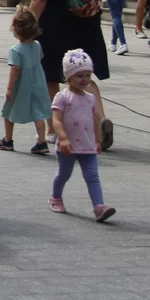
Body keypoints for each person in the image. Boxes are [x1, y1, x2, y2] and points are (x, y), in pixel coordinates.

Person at [28, 0, 113, 150]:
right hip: (86, 22)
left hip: (54, 26)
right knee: (85, 74)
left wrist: (30, 25)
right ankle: (100, 120)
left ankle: (55, 129)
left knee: (51, 76)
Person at [49, 49, 116, 222]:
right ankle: (55, 197)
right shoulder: (62, 97)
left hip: (87, 145)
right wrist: (62, 138)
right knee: (64, 174)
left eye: (87, 75)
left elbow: (92, 119)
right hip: (68, 146)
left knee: (93, 176)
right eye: (79, 76)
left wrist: (97, 139)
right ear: (68, 77)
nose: (84, 80)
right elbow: (56, 120)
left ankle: (99, 207)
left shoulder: (90, 98)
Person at [0, 6, 52, 154]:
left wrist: (9, 89)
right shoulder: (37, 45)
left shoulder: (16, 50)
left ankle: (8, 140)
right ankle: (41, 142)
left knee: (8, 111)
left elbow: (15, 69)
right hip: (38, 83)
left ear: (16, 30)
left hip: (21, 86)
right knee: (38, 113)